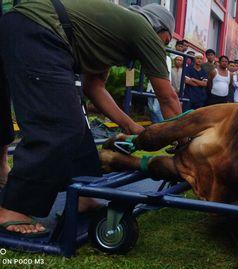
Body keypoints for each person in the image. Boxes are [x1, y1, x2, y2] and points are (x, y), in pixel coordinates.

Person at [0, 1, 181, 236]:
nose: (162, 49)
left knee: (77, 125)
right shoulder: (143, 30)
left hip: (31, 29)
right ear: (163, 34)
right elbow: (167, 98)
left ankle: (83, 197)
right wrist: (182, 139)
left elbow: (93, 86)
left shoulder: (113, 34)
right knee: (58, 127)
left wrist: (130, 125)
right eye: (165, 43)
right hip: (37, 31)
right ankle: (14, 207)